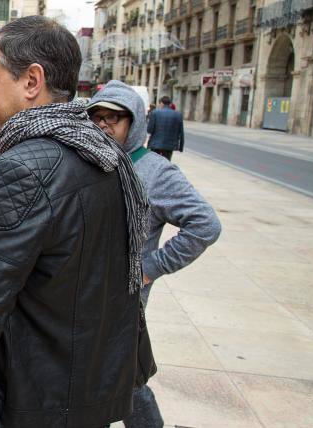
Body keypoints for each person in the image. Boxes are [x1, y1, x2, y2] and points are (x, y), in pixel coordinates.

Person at [0, 16, 150, 428]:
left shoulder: (22, 168)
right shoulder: (106, 154)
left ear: (32, 81)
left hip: (29, 397)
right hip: (88, 390)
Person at [88, 80, 221, 428]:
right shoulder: (91, 161)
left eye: (114, 118)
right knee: (103, 373)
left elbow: (205, 225)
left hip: (125, 298)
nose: (104, 124)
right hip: (85, 292)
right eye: (97, 116)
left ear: (134, 123)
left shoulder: (155, 171)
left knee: (123, 376)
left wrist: (151, 267)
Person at [147, 96, 184, 161]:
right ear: (170, 104)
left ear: (161, 103)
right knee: (166, 162)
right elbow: (181, 132)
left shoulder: (155, 113)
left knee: (154, 162)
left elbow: (149, 130)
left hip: (156, 144)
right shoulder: (178, 114)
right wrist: (181, 146)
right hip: (170, 145)